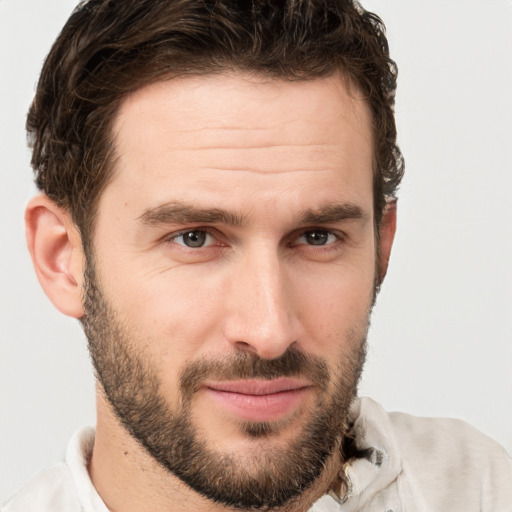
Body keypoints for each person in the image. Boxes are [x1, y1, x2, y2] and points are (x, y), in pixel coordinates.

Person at [2, 0, 511, 511]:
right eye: (195, 238)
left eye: (317, 237)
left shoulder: (486, 491)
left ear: (381, 245)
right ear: (63, 258)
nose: (269, 331)